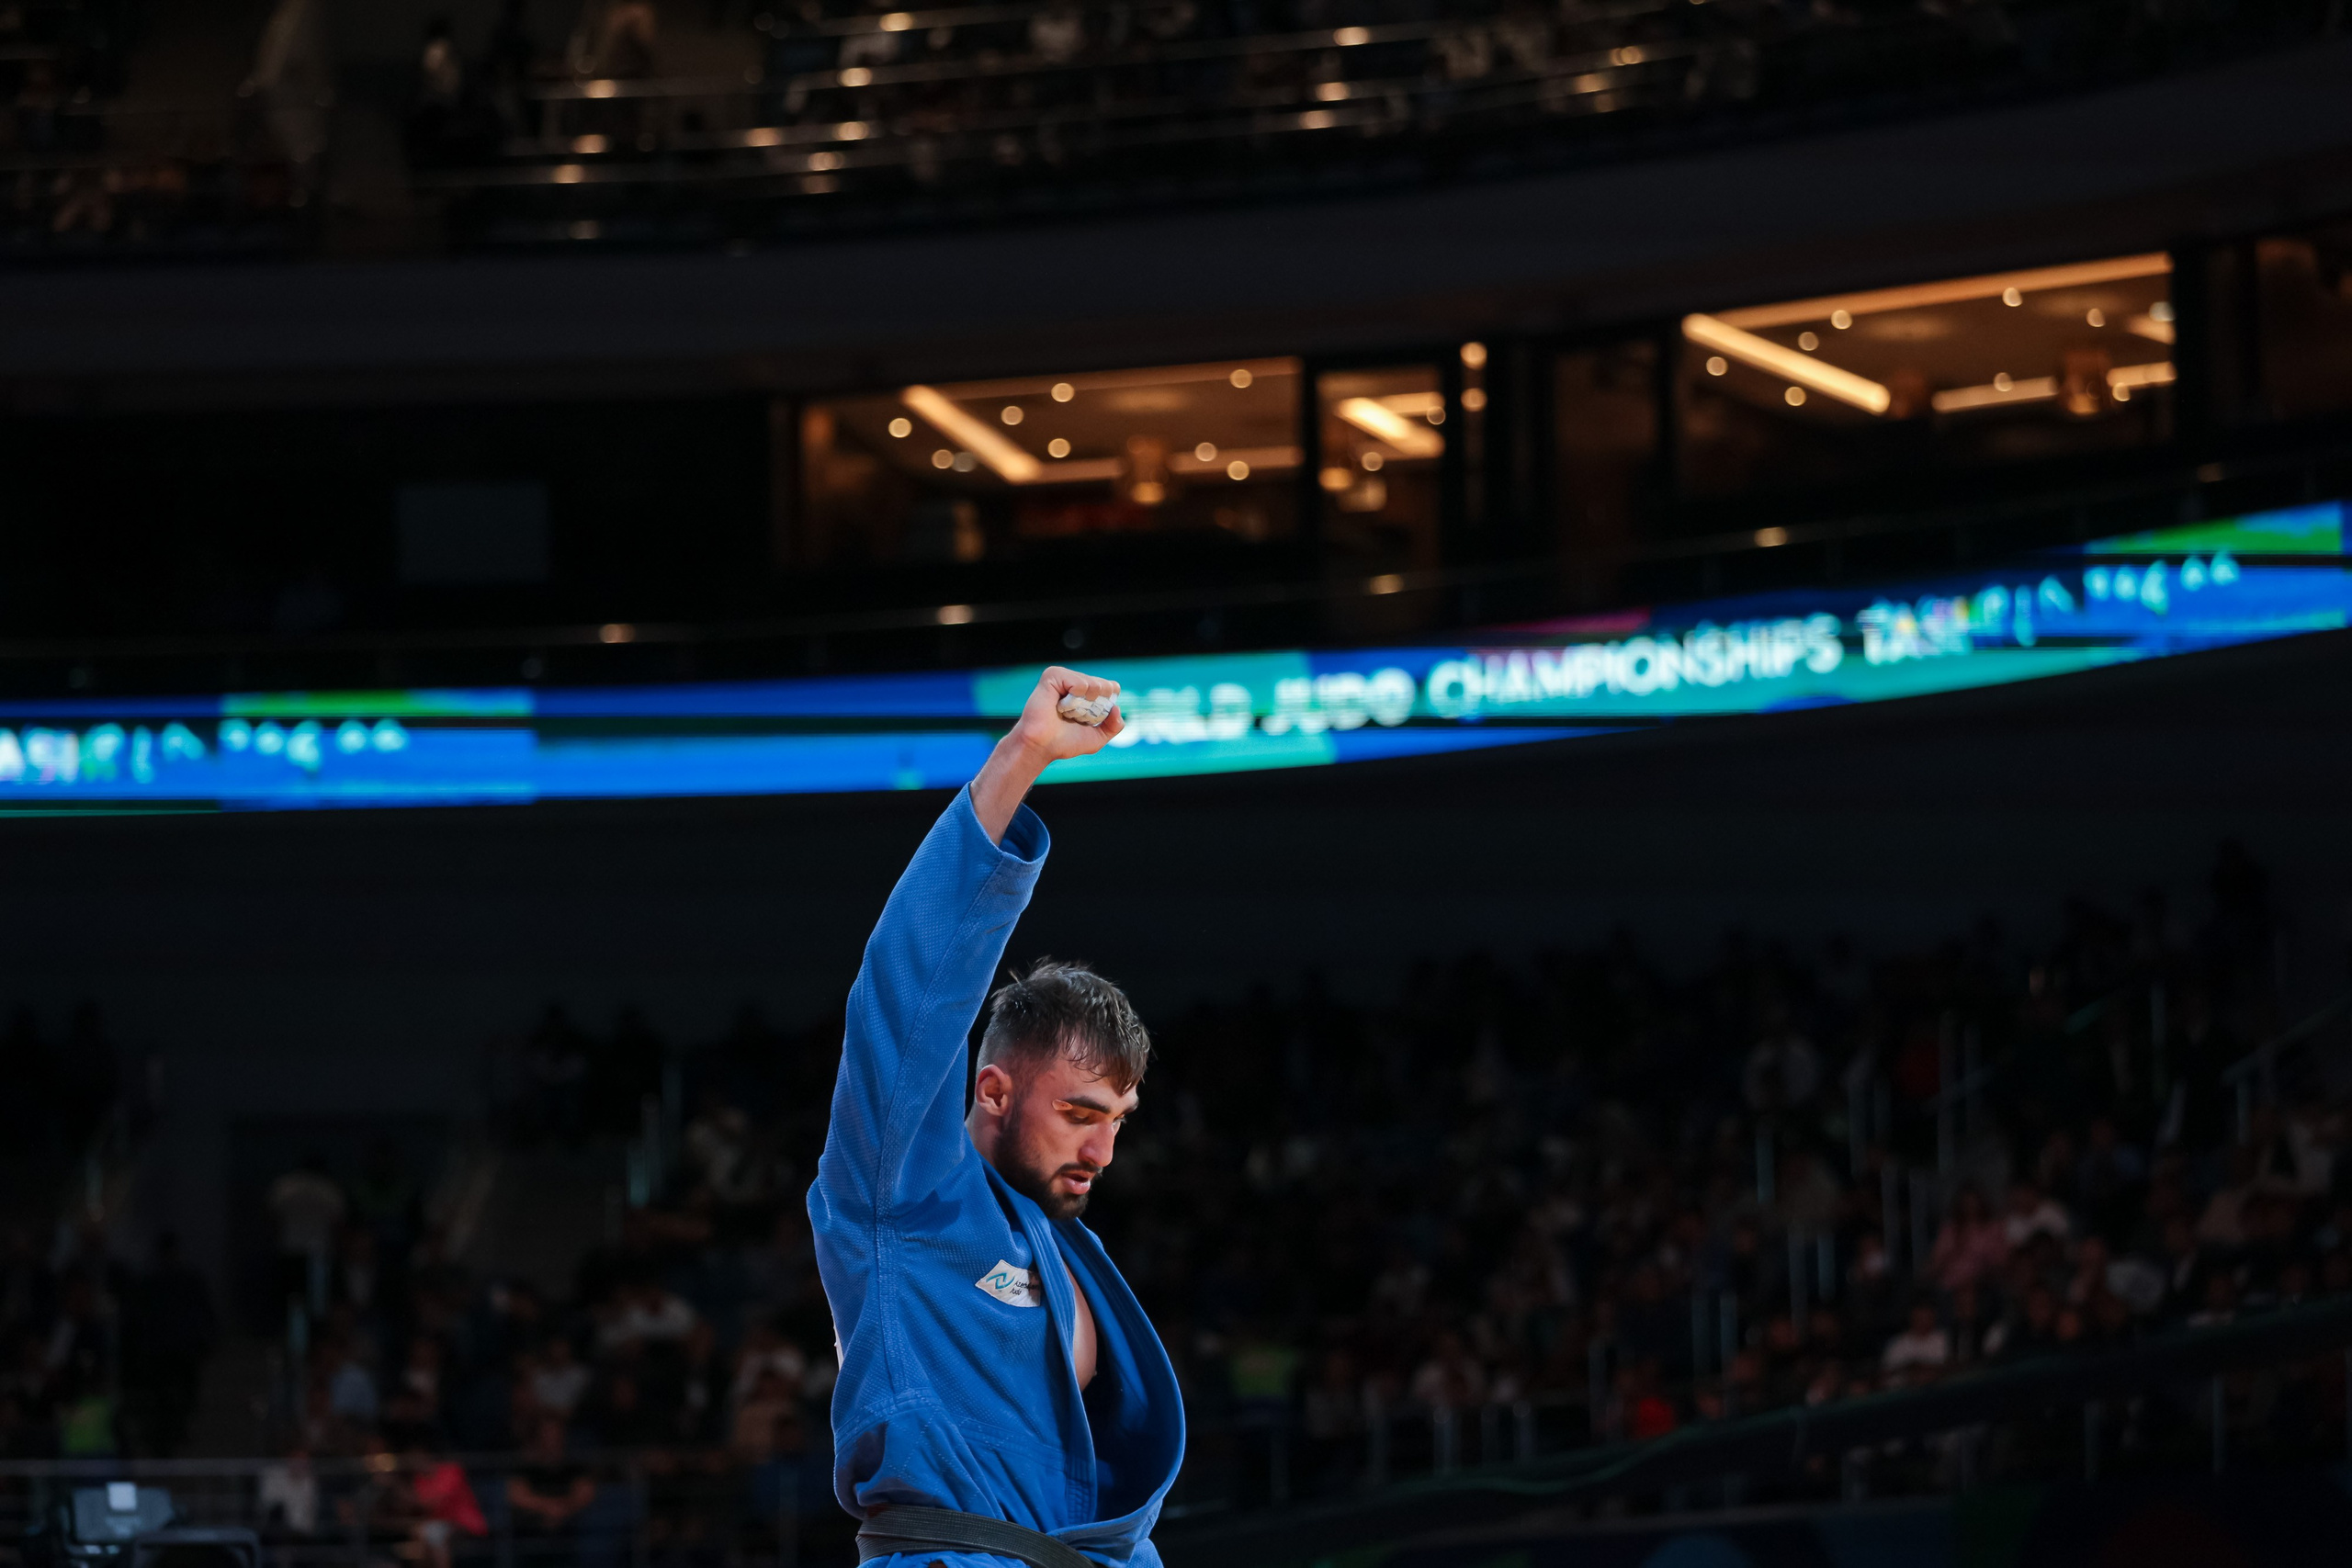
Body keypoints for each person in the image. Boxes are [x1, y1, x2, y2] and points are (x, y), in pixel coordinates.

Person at [810, 666, 1184, 1568]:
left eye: (1119, 1119)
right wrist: (1019, 762)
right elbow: (909, 992)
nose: (1101, 1148)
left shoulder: (1062, 1248)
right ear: (992, 1092)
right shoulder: (904, 1190)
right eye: (1078, 1112)